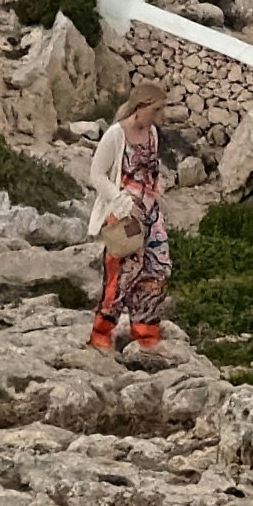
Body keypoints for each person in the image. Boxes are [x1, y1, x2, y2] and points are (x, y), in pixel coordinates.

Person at [87, 90, 181, 360]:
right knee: (120, 276)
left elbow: (150, 172)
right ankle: (100, 336)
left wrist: (157, 194)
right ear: (140, 107)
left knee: (156, 272)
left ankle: (147, 336)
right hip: (124, 217)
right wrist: (121, 201)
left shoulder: (152, 133)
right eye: (156, 110)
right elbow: (96, 175)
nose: (161, 115)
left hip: (151, 216)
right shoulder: (115, 135)